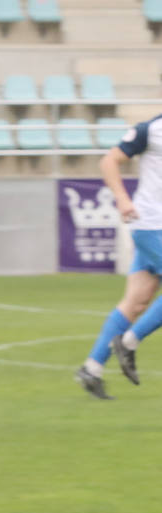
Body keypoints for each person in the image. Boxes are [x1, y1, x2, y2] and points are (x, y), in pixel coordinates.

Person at [74, 112, 162, 399]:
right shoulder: (150, 130)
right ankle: (129, 341)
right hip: (152, 225)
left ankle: (92, 368)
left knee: (136, 301)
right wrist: (123, 199)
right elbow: (109, 161)